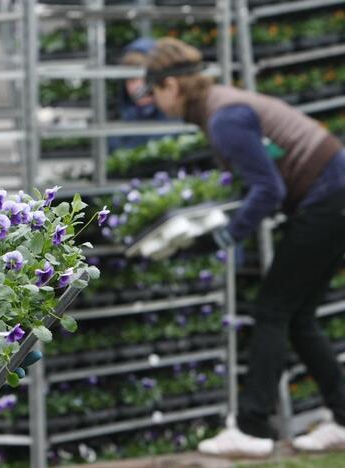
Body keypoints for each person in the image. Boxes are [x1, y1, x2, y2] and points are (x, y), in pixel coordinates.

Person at [142, 37, 345, 457]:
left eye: (155, 92)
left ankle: (251, 429)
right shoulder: (220, 106)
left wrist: (224, 236)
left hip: (328, 198)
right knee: (298, 315)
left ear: (172, 86)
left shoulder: (223, 118)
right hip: (332, 196)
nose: (155, 102)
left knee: (272, 310)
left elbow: (268, 189)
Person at [108, 37, 176, 152]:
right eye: (130, 80)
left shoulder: (175, 119)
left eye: (140, 79)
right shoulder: (123, 124)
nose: (135, 87)